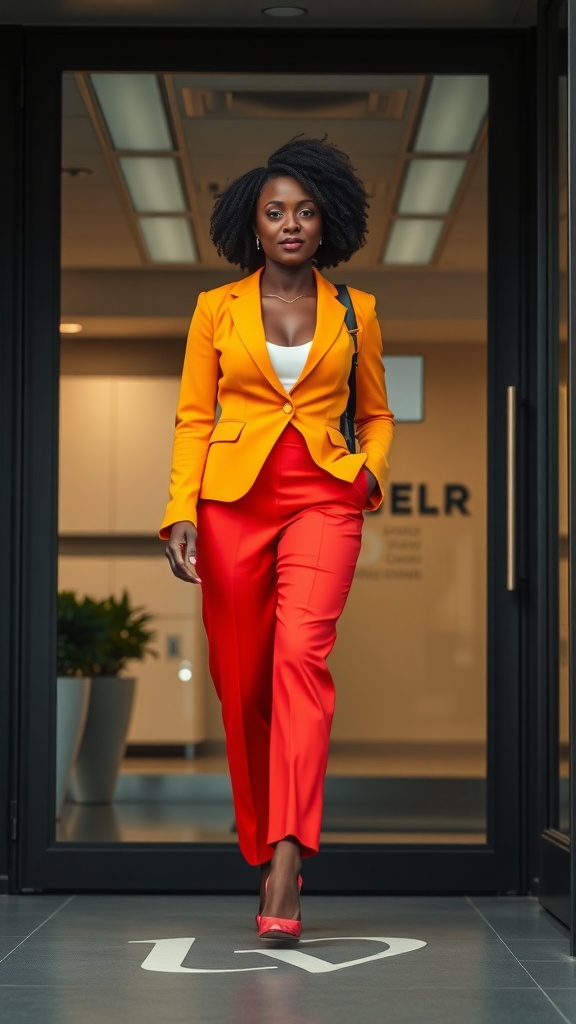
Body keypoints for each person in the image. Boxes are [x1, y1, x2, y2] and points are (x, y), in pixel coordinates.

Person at [160, 135, 395, 944]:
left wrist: (367, 474)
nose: (290, 223)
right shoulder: (214, 311)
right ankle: (261, 835)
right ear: (252, 227)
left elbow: (376, 414)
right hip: (233, 504)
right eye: (274, 212)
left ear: (325, 222)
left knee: (300, 657)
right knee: (239, 680)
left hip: (324, 500)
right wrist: (179, 509)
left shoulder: (355, 313)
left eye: (304, 210)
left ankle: (288, 860)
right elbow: (195, 417)